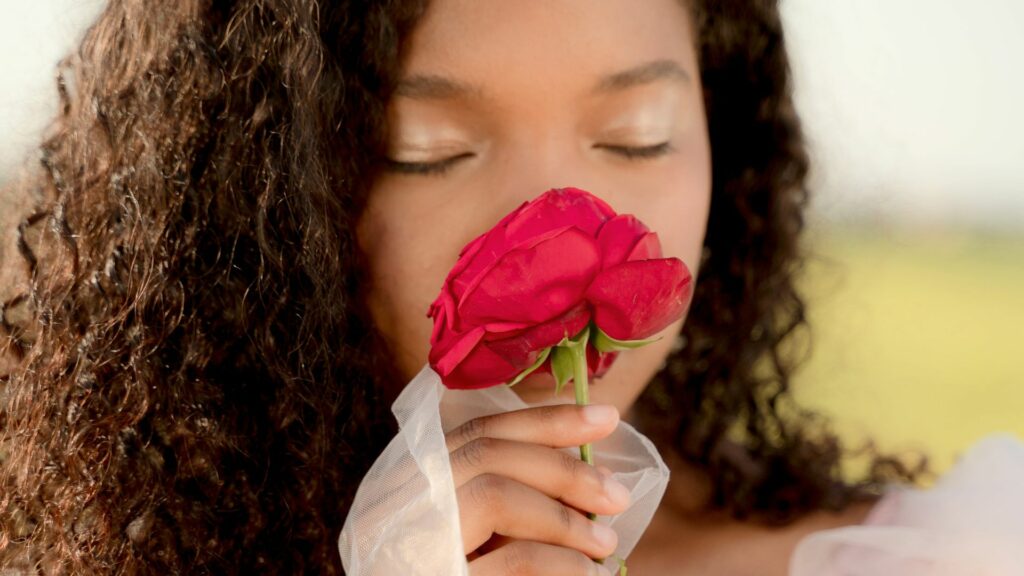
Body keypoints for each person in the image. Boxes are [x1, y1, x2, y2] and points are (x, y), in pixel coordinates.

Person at [6, 0, 1002, 574]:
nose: (550, 219)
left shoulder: (937, 556)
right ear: (243, 193)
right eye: (425, 151)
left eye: (635, 138)